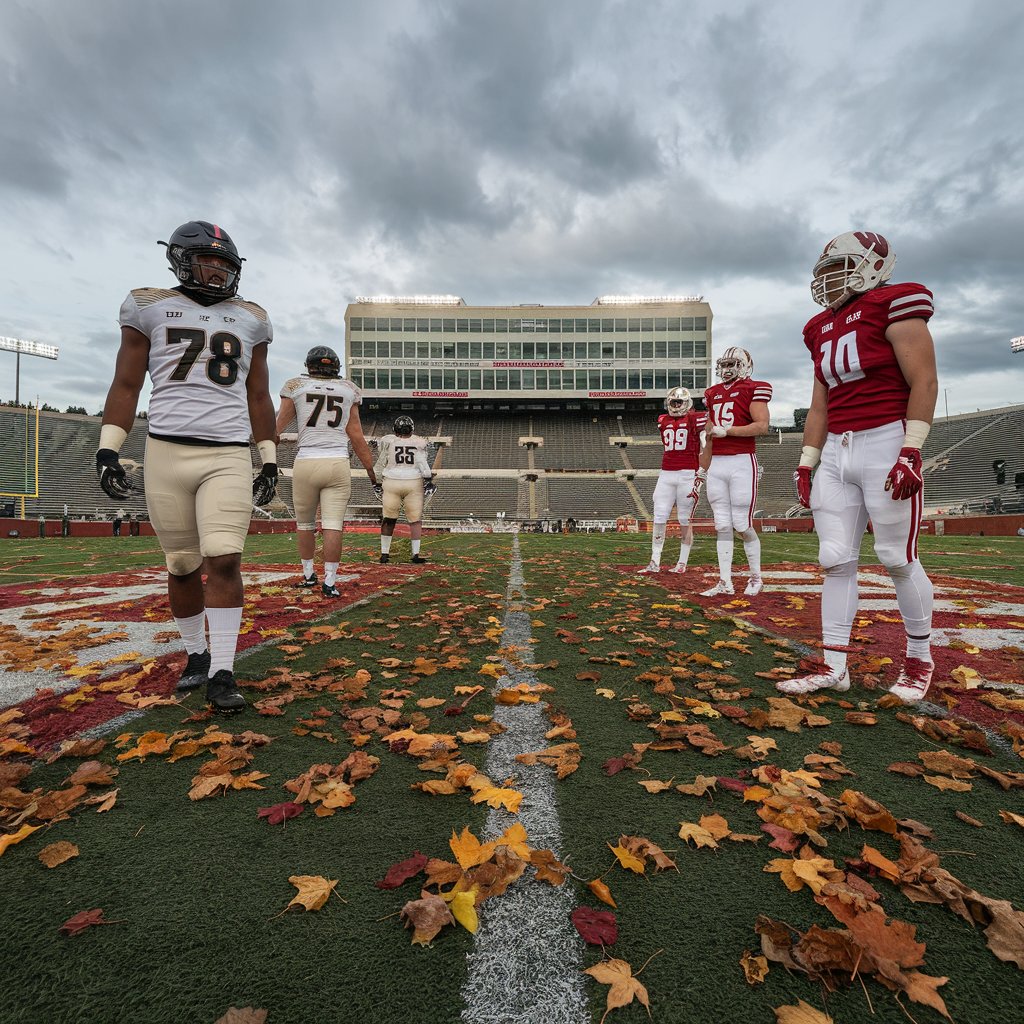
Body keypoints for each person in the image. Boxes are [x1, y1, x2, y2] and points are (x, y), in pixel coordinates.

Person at [95, 220, 278, 713]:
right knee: (181, 565)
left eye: (225, 264)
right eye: (209, 261)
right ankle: (196, 654)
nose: (217, 272)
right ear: (180, 258)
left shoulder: (252, 317)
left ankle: (222, 670)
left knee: (224, 558)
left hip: (226, 452)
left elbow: (258, 394)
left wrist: (269, 458)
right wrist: (108, 446)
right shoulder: (148, 305)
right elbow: (127, 384)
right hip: (166, 450)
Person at [779, 231, 938, 702]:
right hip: (835, 449)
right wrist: (808, 461)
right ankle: (834, 666)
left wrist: (911, 449)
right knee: (834, 559)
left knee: (895, 557)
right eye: (824, 270)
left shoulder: (894, 301)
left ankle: (919, 659)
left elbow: (924, 379)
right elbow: (819, 405)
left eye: (838, 267)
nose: (828, 279)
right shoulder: (817, 326)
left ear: (874, 264)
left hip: (885, 438)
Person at [275, 346, 379, 598]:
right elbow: (356, 436)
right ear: (336, 367)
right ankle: (330, 581)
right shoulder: (348, 389)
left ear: (308, 365)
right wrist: (372, 473)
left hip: (306, 461)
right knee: (333, 525)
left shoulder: (295, 386)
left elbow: (276, 428)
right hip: (337, 462)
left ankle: (309, 574)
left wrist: (267, 460)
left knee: (305, 525)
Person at [698, 347, 771, 596]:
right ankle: (725, 582)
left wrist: (728, 431)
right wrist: (701, 469)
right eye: (724, 364)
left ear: (744, 365)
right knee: (721, 524)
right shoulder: (712, 393)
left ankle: (756, 577)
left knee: (741, 522)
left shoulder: (754, 388)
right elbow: (708, 436)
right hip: (717, 463)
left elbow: (762, 426)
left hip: (741, 460)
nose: (727, 369)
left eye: (732, 364)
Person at [639, 387, 707, 574]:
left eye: (679, 402)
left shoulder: (695, 418)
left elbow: (705, 443)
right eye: (673, 402)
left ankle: (682, 563)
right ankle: (654, 561)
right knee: (659, 515)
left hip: (688, 473)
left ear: (687, 403)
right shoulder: (663, 420)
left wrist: (702, 471)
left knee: (684, 518)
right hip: (667, 473)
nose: (676, 406)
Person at [374, 415, 436, 563]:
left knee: (389, 519)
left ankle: (384, 554)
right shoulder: (419, 442)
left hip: (391, 482)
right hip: (413, 482)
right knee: (415, 520)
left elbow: (380, 464)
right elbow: (423, 466)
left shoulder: (388, 441)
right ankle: (415, 554)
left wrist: (376, 483)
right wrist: (428, 480)